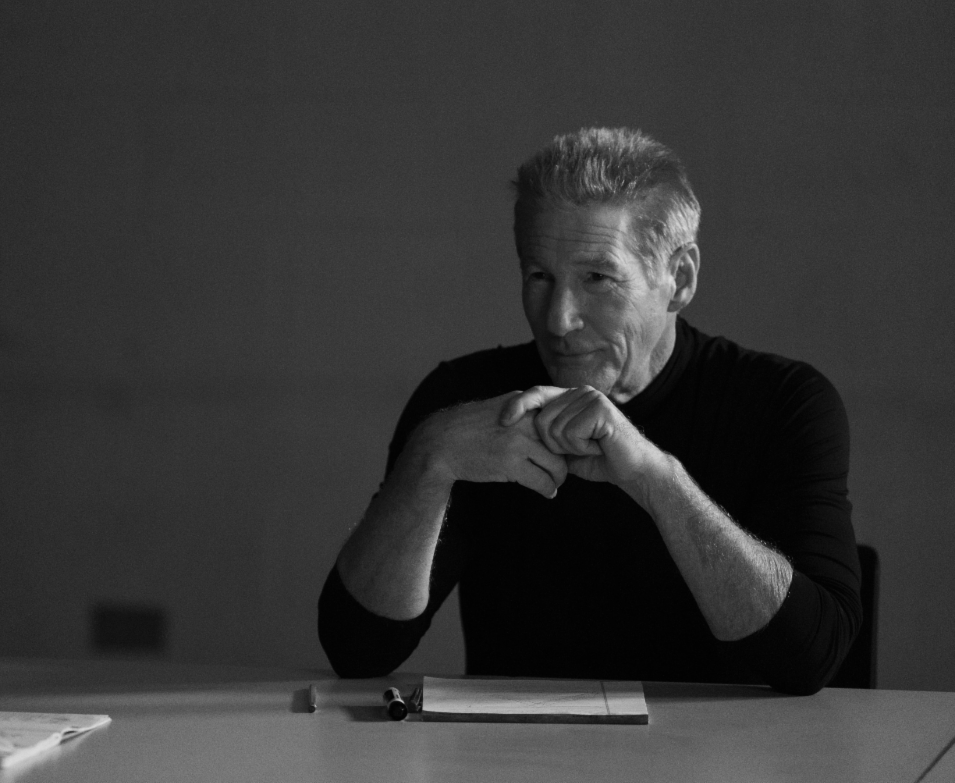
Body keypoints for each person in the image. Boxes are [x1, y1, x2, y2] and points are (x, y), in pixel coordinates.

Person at [317, 127, 861, 695]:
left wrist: (654, 479)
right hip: (508, 748)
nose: (558, 319)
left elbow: (810, 660)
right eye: (539, 276)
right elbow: (358, 651)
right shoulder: (466, 405)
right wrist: (429, 459)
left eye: (598, 279)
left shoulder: (784, 403)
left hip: (724, 748)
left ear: (679, 279)